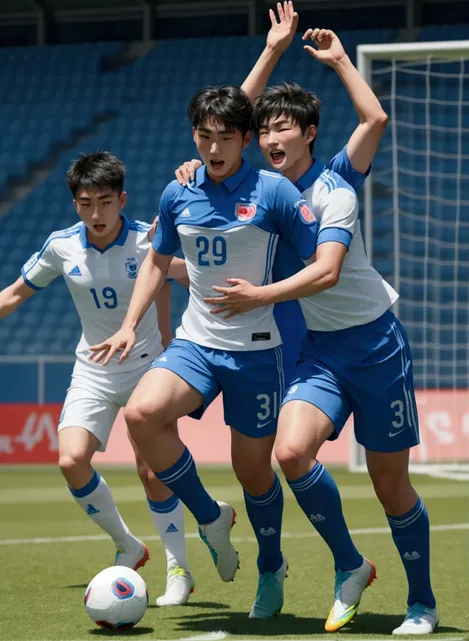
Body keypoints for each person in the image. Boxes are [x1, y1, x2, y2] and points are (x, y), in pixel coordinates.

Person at [197, 3, 438, 635]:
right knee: (292, 451)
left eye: (283, 128)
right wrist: (271, 51)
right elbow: (222, 127)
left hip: (377, 347)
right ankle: (350, 565)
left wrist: (335, 60)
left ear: (309, 133)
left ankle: (422, 603)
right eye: (264, 129)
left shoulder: (335, 185)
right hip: (320, 351)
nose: (270, 138)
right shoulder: (256, 189)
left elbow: (328, 269)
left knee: (391, 486)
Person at [89, 85, 319, 619]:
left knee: (254, 474)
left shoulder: (276, 192)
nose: (215, 149)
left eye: (226, 138)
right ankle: (211, 517)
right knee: (142, 414)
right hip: (196, 342)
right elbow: (155, 262)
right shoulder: (178, 192)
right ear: (195, 136)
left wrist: (263, 294)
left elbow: (321, 263)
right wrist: (129, 325)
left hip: (259, 351)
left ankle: (270, 567)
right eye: (205, 137)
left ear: (245, 139)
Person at [0, 151, 195, 607]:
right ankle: (129, 544)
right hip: (93, 369)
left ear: (121, 200)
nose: (96, 213)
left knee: (153, 472)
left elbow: (184, 276)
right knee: (71, 461)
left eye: (105, 202)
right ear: (75, 206)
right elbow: (12, 294)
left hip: (147, 364)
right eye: (86, 203)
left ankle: (178, 569)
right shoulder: (61, 246)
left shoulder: (149, 240)